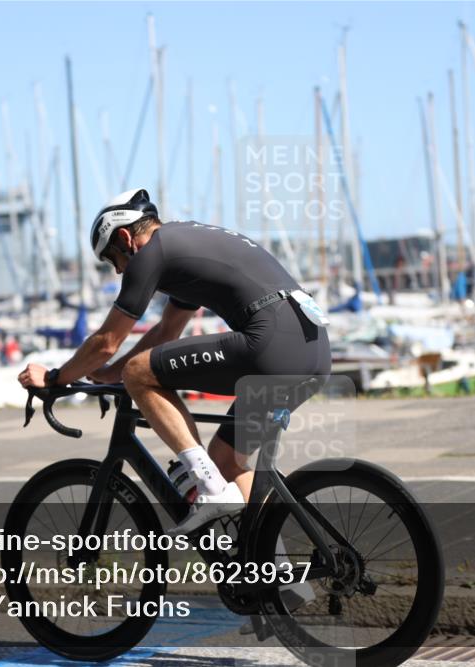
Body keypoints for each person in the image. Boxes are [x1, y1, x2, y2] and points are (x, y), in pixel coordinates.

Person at [17, 188, 330, 535]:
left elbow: (107, 342)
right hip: (311, 348)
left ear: (124, 237)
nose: (120, 271)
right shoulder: (183, 245)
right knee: (226, 459)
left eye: (113, 259)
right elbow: (166, 331)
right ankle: (278, 578)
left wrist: (57, 377)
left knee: (140, 373)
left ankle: (208, 487)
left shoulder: (152, 253)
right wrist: (105, 375)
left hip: (272, 343)